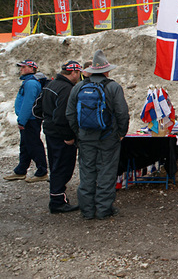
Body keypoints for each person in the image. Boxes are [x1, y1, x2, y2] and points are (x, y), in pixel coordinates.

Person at [66, 50, 130, 220]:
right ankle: (103, 210)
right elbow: (122, 112)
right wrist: (121, 133)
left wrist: (78, 133)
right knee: (106, 172)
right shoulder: (113, 87)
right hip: (108, 138)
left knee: (87, 172)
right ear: (107, 71)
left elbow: (70, 114)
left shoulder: (79, 87)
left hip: (86, 138)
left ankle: (87, 211)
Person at [32, 61, 83, 213]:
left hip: (50, 132)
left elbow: (37, 109)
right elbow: (63, 116)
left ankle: (58, 197)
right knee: (63, 166)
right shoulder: (66, 89)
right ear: (73, 73)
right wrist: (68, 135)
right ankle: (57, 201)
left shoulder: (50, 85)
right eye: (78, 73)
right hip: (61, 134)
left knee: (55, 165)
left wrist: (47, 121)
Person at [4, 60, 48, 182]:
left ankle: (42, 171)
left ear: (32, 69)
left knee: (33, 144)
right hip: (29, 118)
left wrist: (22, 121)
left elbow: (28, 103)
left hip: (31, 119)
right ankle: (21, 170)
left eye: (24, 67)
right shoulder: (29, 82)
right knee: (25, 145)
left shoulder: (31, 84)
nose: (21, 69)